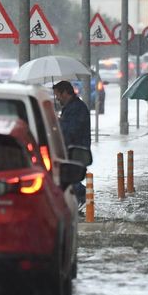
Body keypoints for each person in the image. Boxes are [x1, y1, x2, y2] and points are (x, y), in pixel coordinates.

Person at [52, 80, 91, 210]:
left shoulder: (77, 108)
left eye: (58, 95)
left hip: (77, 150)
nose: (57, 99)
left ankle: (84, 196)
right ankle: (76, 204)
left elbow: (70, 130)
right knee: (67, 177)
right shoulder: (70, 108)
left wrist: (59, 123)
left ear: (65, 93)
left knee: (70, 178)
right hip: (71, 149)